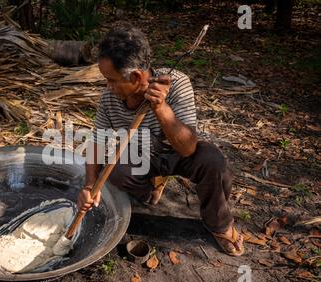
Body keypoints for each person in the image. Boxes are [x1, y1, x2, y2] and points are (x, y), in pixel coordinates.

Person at [76, 23, 244, 257]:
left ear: (135, 76)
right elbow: (97, 141)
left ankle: (219, 225)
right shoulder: (109, 99)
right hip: (143, 154)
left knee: (213, 162)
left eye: (111, 79)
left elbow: (188, 148)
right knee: (115, 171)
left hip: (179, 152)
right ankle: (151, 189)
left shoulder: (176, 84)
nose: (108, 86)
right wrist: (89, 185)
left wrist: (161, 107)